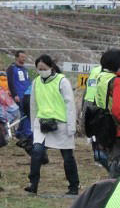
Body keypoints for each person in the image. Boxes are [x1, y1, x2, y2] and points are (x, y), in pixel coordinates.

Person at [25, 55, 80, 196]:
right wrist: (33, 125)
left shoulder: (62, 81)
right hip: (42, 124)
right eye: (39, 69)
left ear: (51, 67)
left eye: (44, 68)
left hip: (61, 125)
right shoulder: (36, 82)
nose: (42, 71)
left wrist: (71, 126)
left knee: (67, 156)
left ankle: (73, 186)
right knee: (36, 152)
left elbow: (70, 105)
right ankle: (33, 184)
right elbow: (33, 104)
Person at [93, 49, 120, 173]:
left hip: (105, 127)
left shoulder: (101, 78)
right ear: (117, 65)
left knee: (113, 162)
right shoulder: (118, 82)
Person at [82, 62, 107, 167]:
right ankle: (101, 155)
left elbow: (88, 89)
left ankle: (97, 155)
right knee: (102, 130)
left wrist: (84, 106)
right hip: (101, 104)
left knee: (94, 132)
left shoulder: (94, 71)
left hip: (90, 103)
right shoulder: (109, 72)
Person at [7, 49, 33, 145]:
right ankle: (26, 133)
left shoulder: (25, 69)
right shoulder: (12, 68)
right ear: (17, 57)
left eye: (24, 57)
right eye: (22, 57)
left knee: (25, 114)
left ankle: (19, 133)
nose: (24, 59)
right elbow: (10, 82)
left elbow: (28, 81)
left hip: (27, 95)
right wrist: (14, 95)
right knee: (26, 113)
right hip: (19, 95)